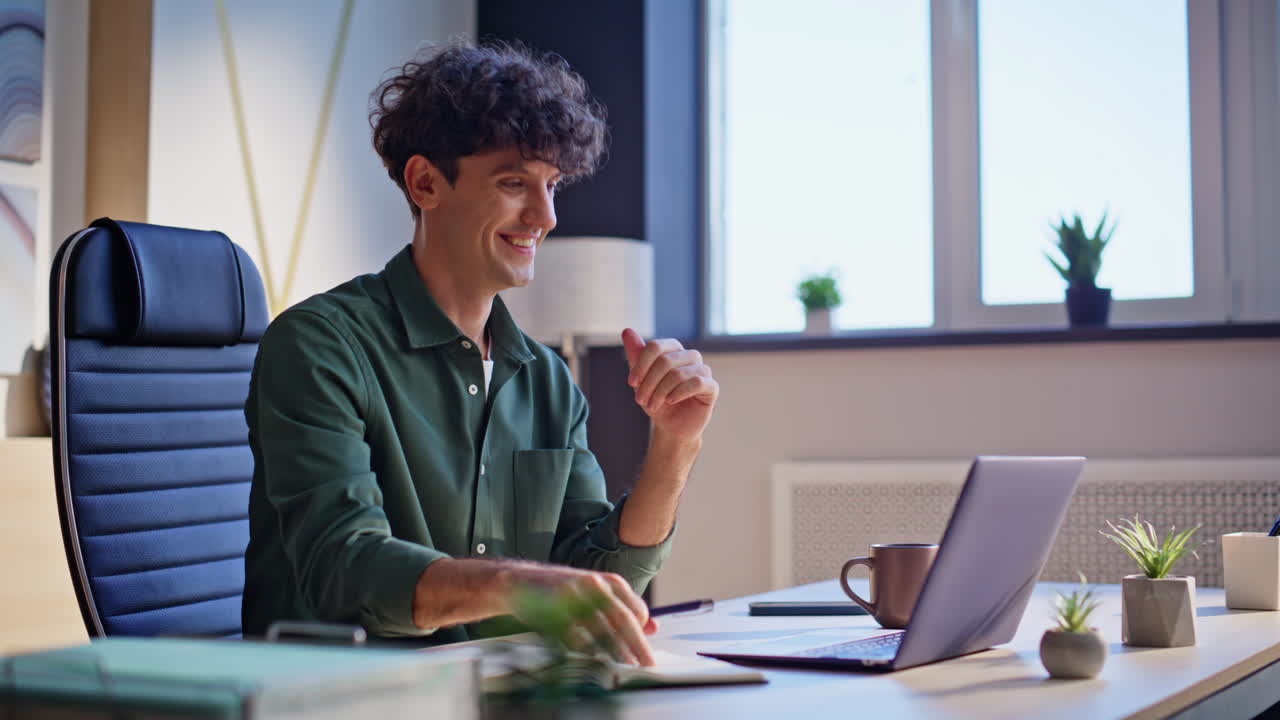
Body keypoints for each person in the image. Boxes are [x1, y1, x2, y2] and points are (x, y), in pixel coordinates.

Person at [241, 41, 718, 667]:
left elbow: (601, 580)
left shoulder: (547, 379)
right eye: (514, 183)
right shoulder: (319, 346)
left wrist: (675, 444)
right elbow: (345, 570)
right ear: (426, 183)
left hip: (506, 690)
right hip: (343, 696)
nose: (545, 216)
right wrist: (520, 584)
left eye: (552, 185)